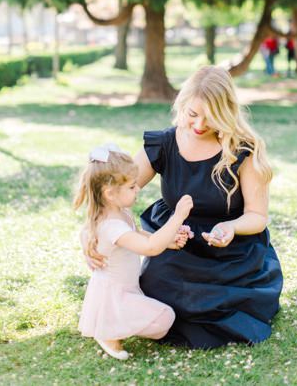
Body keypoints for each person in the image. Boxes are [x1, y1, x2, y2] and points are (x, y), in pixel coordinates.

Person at [84, 66, 283, 349]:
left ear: (226, 113)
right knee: (159, 296)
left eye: (211, 117)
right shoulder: (164, 143)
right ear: (182, 105)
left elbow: (257, 216)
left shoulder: (243, 151)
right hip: (177, 246)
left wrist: (230, 226)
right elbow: (113, 195)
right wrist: (93, 234)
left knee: (223, 309)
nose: (200, 124)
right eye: (193, 114)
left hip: (232, 253)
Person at [74, 144, 194, 360]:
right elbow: (150, 248)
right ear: (110, 193)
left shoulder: (120, 213)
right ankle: (108, 331)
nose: (138, 189)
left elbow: (138, 234)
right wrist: (177, 218)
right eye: (131, 187)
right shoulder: (111, 225)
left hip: (127, 288)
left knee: (162, 320)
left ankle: (114, 322)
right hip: (114, 294)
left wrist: (169, 241)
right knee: (165, 318)